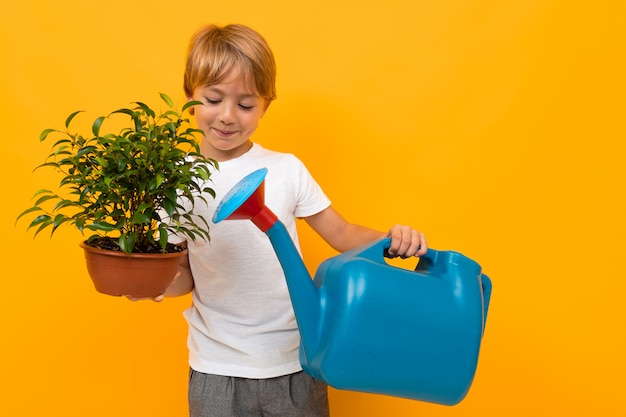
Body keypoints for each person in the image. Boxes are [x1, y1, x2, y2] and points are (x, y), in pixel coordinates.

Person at [157, 23, 427, 417]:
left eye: (246, 105)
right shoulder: (175, 181)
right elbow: (184, 275)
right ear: (189, 96)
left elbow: (342, 232)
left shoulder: (285, 169)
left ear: (266, 104)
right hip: (216, 368)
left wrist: (394, 240)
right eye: (213, 99)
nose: (228, 117)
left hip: (296, 363)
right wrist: (155, 280)